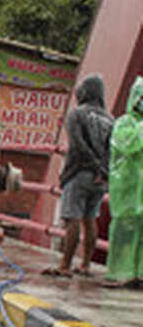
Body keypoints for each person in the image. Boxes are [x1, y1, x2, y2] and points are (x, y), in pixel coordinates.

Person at [42, 75, 114, 278]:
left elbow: (77, 145)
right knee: (90, 219)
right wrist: (102, 171)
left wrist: (92, 166)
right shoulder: (110, 119)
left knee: (72, 218)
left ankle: (65, 265)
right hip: (100, 178)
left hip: (79, 172)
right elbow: (111, 151)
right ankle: (85, 265)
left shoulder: (77, 114)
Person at [101, 76, 143, 289]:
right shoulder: (124, 123)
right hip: (126, 190)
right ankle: (119, 273)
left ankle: (139, 274)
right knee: (123, 232)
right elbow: (128, 145)